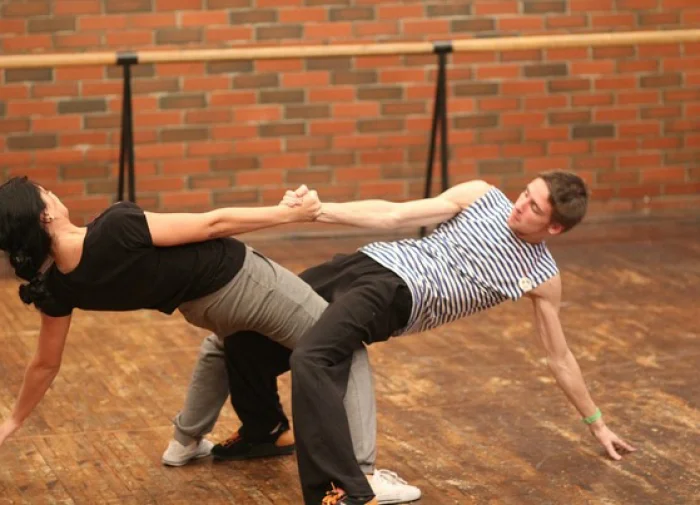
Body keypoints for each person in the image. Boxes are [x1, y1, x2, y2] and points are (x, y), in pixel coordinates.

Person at [217, 171, 636, 505]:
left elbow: (560, 358)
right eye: (525, 193)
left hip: (397, 296)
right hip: (367, 261)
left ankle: (344, 489)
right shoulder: (482, 196)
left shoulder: (541, 276)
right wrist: (317, 211)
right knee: (246, 333)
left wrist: (596, 424)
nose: (520, 205)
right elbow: (395, 215)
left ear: (555, 227)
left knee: (312, 358)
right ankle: (264, 430)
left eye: (534, 207)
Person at [0, 176, 364, 459]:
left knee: (221, 348)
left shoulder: (57, 287)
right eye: (45, 193)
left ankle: (185, 441)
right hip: (244, 282)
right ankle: (363, 474)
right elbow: (212, 224)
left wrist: (12, 421)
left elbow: (45, 364)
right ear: (44, 215)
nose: (52, 193)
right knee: (339, 345)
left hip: (203, 308)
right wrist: (289, 214)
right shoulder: (115, 227)